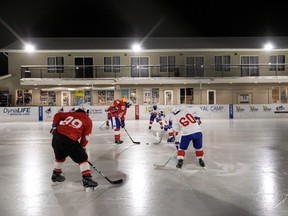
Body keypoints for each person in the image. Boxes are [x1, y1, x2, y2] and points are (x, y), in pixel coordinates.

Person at [50, 107, 98, 189]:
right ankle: (87, 178)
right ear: (86, 113)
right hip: (69, 138)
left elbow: (57, 115)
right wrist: (82, 147)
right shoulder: (88, 119)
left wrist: (54, 126)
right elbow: (86, 136)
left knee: (60, 156)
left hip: (56, 136)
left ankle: (56, 174)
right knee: (83, 158)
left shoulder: (71, 114)